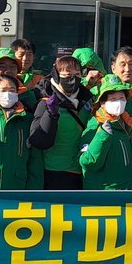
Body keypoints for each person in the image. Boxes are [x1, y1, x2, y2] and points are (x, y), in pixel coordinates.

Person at [28, 55, 94, 190]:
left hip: (82, 168)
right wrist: (51, 114)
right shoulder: (45, 102)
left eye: (77, 75)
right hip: (55, 171)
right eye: (67, 75)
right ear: (57, 76)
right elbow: (38, 140)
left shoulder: (87, 99)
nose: (73, 79)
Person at [79, 74, 132, 190]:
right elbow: (86, 162)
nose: (119, 102)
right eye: (113, 99)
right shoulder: (95, 126)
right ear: (102, 103)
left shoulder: (129, 124)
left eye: (122, 98)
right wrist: (102, 135)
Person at [109, 47, 132, 112]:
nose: (127, 69)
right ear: (113, 68)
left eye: (131, 64)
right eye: (123, 65)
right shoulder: (105, 91)